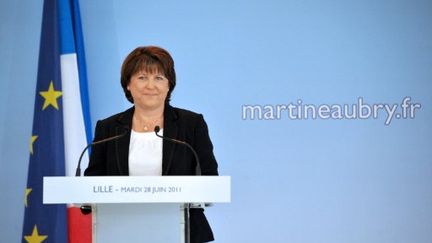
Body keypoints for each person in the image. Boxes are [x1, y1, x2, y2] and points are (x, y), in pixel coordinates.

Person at [84, 46, 219, 243]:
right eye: (142, 77)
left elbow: (209, 177)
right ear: (128, 84)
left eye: (159, 78)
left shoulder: (191, 124)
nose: (150, 85)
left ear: (168, 85)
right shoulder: (109, 128)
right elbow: (92, 181)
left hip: (184, 232)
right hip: (120, 231)